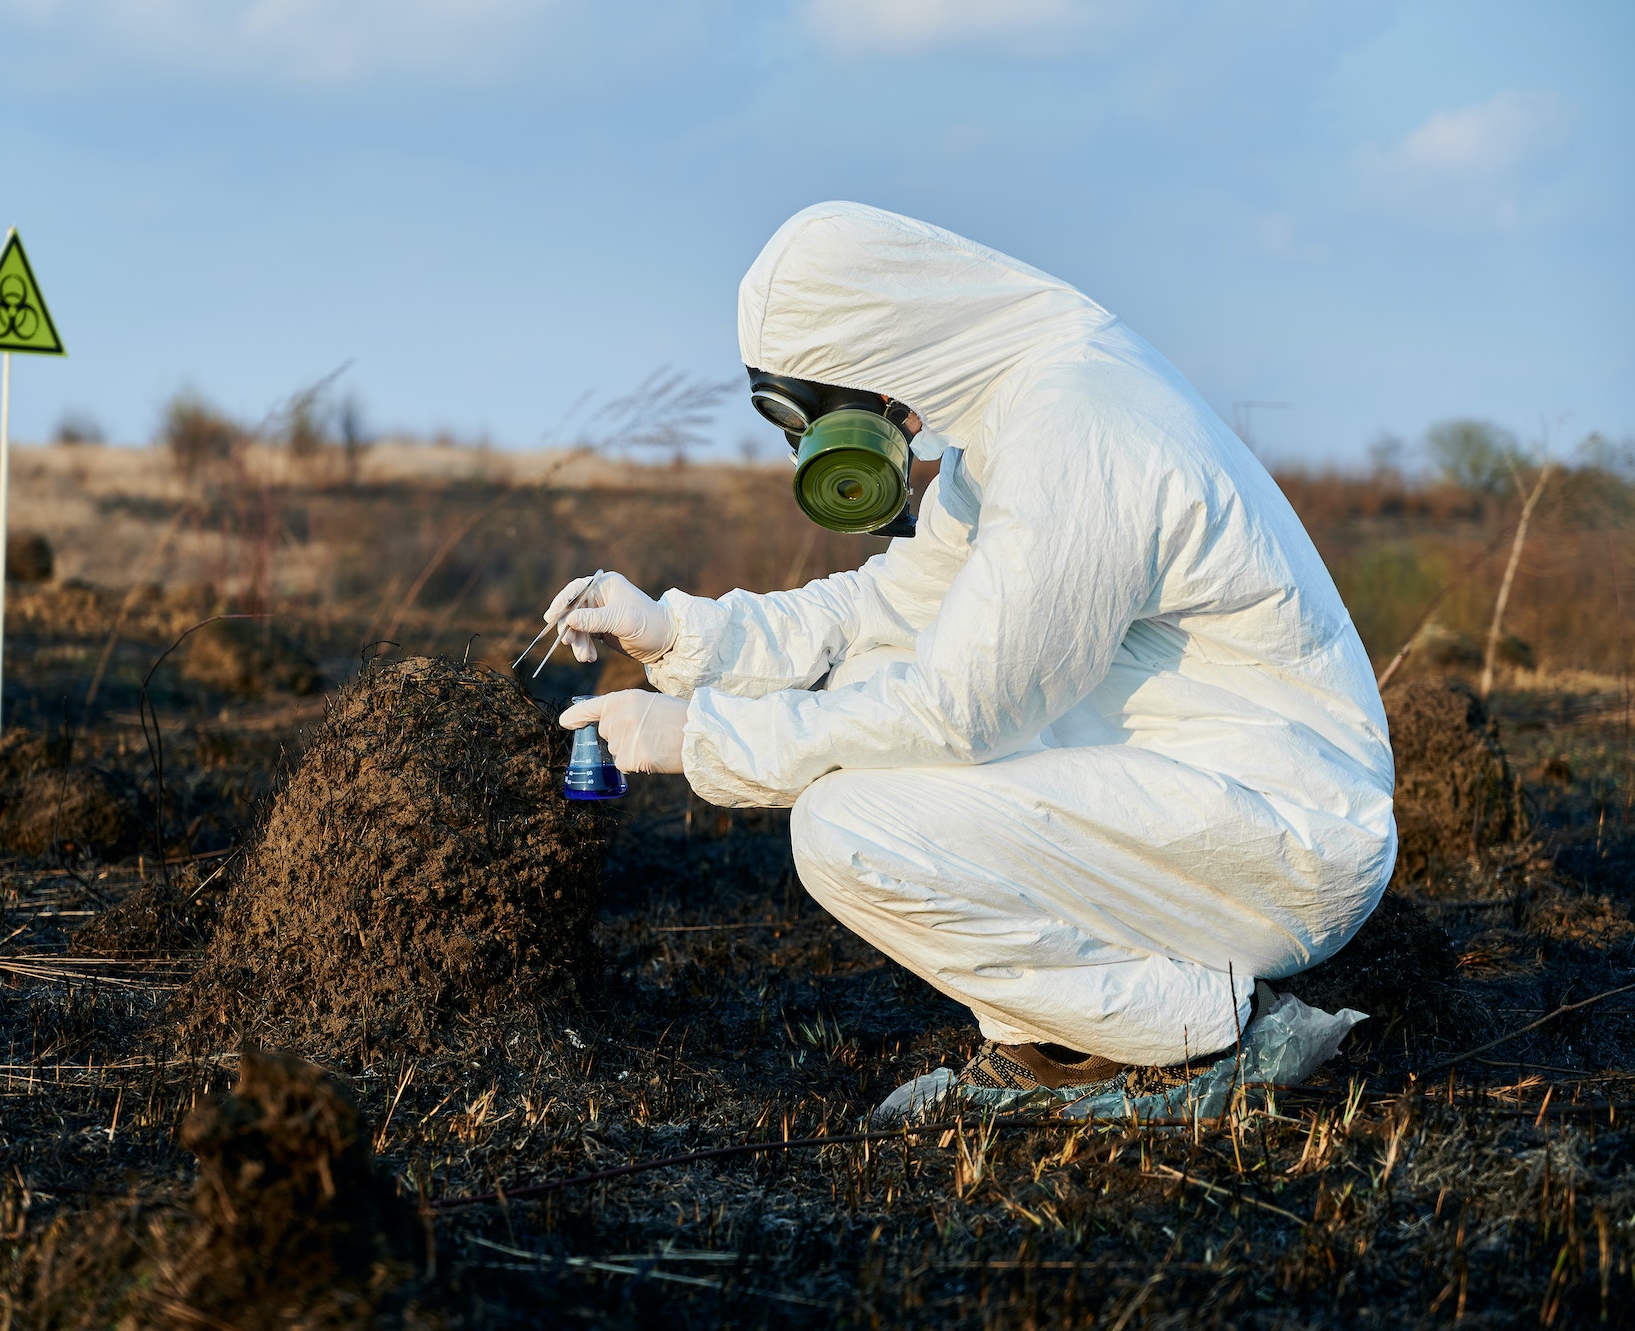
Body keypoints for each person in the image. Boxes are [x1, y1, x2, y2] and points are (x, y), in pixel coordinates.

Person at [546, 202, 1396, 1098]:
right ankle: (1068, 1033)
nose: (825, 444)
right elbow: (883, 609)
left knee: (847, 830)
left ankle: (1193, 1028)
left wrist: (699, 739)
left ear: (877, 345)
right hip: (1202, 780)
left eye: (819, 411)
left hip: (1289, 832)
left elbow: (958, 709)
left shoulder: (1078, 429)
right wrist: (676, 633)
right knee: (878, 683)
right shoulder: (1013, 416)